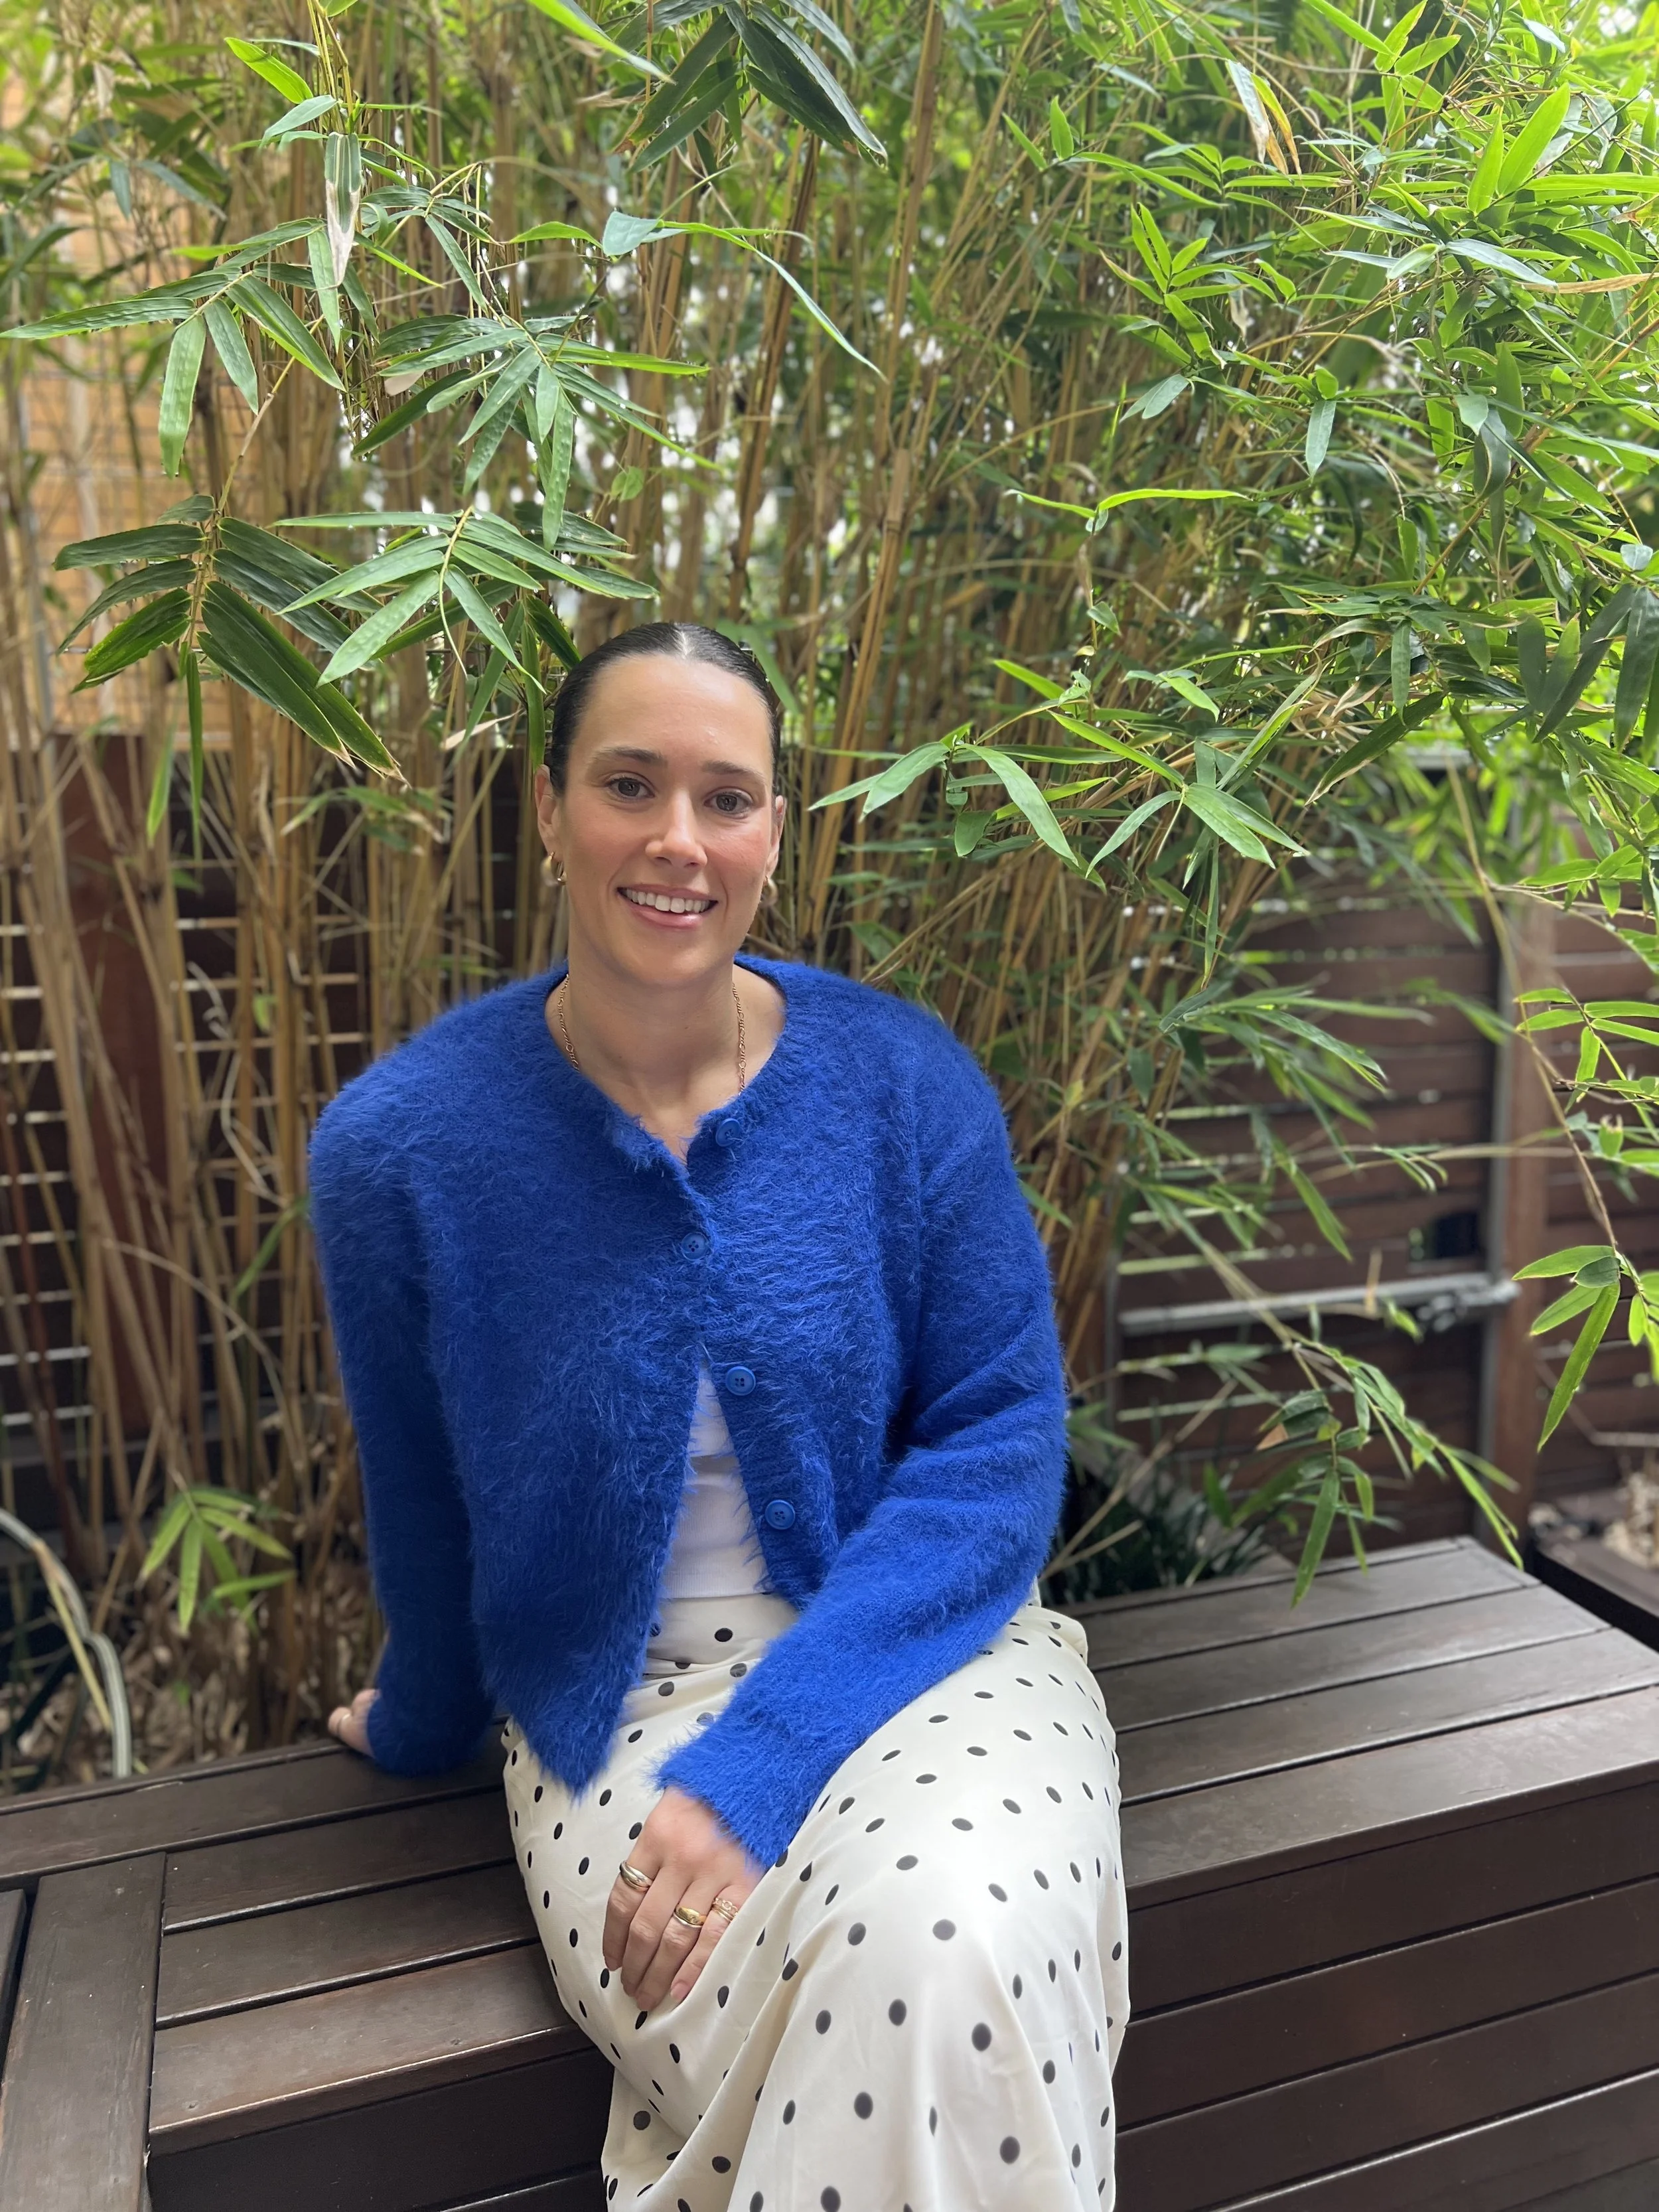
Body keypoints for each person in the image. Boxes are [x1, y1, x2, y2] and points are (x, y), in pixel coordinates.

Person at [309, 621, 1129, 2211]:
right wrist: (419, 1718)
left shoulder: (901, 1082)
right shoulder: (400, 1149)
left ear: (772, 832)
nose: (678, 839)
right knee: (903, 1997)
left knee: (948, 1933)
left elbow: (999, 1446)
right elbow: (420, 1503)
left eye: (726, 797)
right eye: (630, 784)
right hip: (610, 1723)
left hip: (923, 1658)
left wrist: (760, 1767)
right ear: (545, 809)